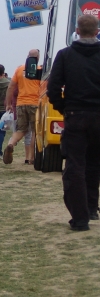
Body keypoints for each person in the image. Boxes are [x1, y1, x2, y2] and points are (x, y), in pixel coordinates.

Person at [46, 14, 100, 231]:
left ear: (76, 31)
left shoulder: (65, 55)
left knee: (75, 166)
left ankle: (80, 218)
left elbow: (53, 87)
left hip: (75, 115)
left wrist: (63, 107)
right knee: (94, 163)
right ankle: (92, 207)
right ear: (97, 32)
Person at [3, 49, 42, 165]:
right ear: (38, 58)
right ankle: (31, 158)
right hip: (35, 103)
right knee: (35, 131)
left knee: (21, 130)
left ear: (28, 56)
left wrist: (9, 104)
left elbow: (11, 87)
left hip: (20, 104)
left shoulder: (19, 69)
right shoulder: (40, 70)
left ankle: (11, 144)